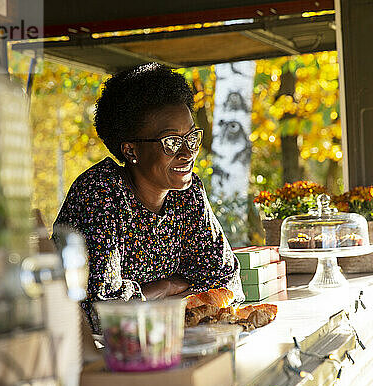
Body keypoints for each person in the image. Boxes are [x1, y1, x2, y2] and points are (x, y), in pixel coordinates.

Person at [53, 63, 244, 333]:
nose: (188, 153)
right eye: (171, 142)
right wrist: (167, 286)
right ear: (131, 150)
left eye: (191, 137)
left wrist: (145, 296)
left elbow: (226, 281)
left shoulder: (187, 194)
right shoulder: (100, 193)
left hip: (168, 341)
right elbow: (102, 310)